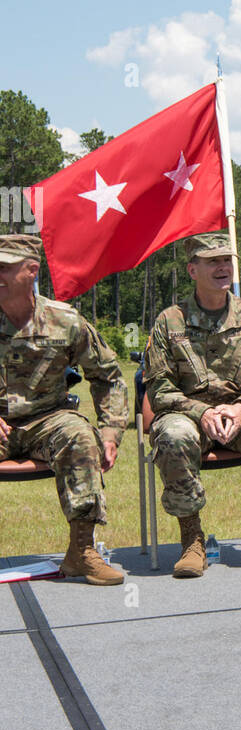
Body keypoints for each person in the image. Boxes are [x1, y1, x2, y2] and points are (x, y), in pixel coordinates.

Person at [142, 233, 241, 577]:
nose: (222, 267)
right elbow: (158, 387)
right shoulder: (170, 321)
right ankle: (191, 540)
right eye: (212, 261)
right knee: (172, 435)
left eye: (227, 260)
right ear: (192, 270)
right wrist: (202, 412)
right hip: (189, 418)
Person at [0, 234, 128, 584]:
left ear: (31, 271)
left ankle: (82, 550)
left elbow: (109, 377)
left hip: (48, 421)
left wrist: (111, 431)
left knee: (79, 434)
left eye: (5, 268)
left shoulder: (65, 320)